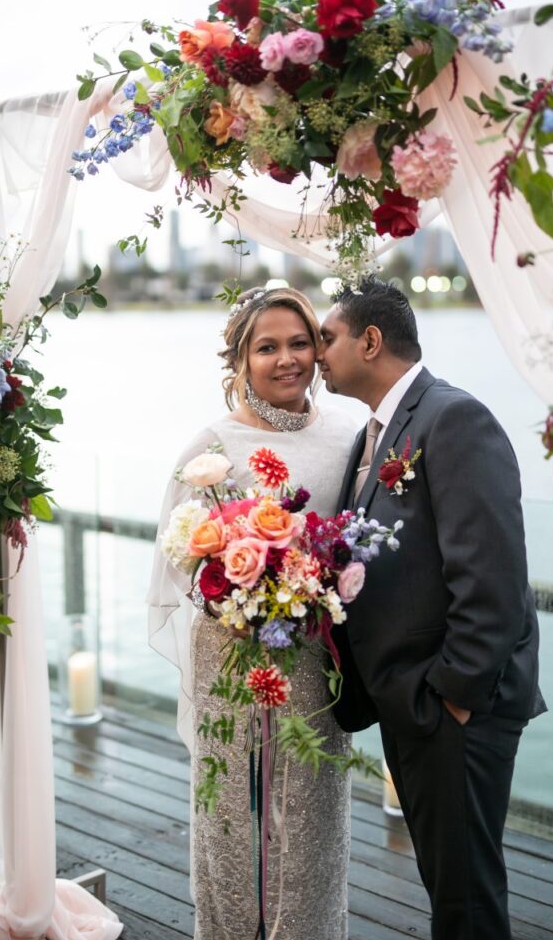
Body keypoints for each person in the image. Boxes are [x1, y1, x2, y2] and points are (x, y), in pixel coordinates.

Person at [318, 277, 546, 940]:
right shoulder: (373, 433)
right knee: (449, 888)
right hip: (410, 703)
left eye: (329, 338)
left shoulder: (453, 418)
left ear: (371, 339)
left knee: (466, 900)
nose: (319, 355)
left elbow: (493, 579)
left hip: (453, 711)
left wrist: (451, 696)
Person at [147, 287, 356, 940]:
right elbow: (178, 549)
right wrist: (234, 592)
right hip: (231, 655)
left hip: (313, 656)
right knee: (233, 813)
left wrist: (309, 589)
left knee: (310, 817)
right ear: (241, 359)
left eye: (300, 343)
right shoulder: (212, 448)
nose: (287, 359)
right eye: (267, 346)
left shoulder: (351, 435)